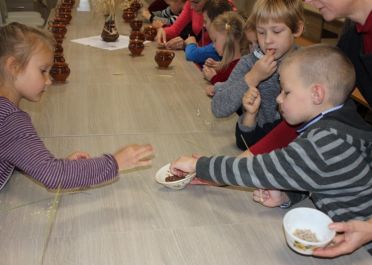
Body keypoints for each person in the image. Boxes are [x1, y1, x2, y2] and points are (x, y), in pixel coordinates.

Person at [171, 44, 372, 226]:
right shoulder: (334, 126)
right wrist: (287, 196)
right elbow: (324, 181)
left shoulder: (328, 142)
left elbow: (260, 168)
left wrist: (200, 165)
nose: (278, 98)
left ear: (316, 94)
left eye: (286, 92)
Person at [0, 22, 154, 192]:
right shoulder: (9, 119)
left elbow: (16, 155)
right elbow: (53, 176)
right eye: (43, 70)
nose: (49, 80)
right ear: (13, 67)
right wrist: (116, 162)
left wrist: (65, 168)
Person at [210, 0, 304, 150]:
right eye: (261, 32)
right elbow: (218, 107)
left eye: (277, 31)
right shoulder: (249, 63)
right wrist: (253, 77)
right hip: (257, 147)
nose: (267, 40)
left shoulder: (307, 64)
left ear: (297, 29)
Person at [156, 0, 234, 50]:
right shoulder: (191, 3)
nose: (191, 6)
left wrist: (189, 46)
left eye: (196, 2)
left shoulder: (223, 8)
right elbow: (175, 29)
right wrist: (162, 31)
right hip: (199, 57)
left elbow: (226, 48)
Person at [203, 11, 245, 93]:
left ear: (227, 39)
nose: (213, 45)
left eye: (215, 41)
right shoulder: (232, 64)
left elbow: (230, 89)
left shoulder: (238, 68)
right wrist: (218, 67)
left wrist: (213, 78)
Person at [184, 0, 233, 66]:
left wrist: (191, 42)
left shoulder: (219, 45)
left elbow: (192, 54)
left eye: (205, 21)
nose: (204, 25)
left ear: (216, 23)